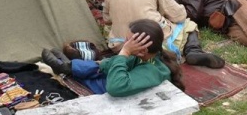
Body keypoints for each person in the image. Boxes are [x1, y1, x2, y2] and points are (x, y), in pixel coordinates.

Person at [102, 0, 225, 69]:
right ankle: (193, 51)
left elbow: (106, 18)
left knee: (111, 29)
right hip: (150, 42)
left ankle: (140, 58)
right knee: (189, 24)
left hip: (122, 44)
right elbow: (179, 15)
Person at [41, 19, 185, 96]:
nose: (125, 42)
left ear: (143, 50)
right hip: (127, 75)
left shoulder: (153, 70)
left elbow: (115, 87)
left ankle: (68, 70)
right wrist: (104, 64)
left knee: (100, 82)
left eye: (128, 40)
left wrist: (124, 53)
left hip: (120, 86)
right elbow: (110, 64)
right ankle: (69, 66)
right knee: (103, 66)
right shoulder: (147, 56)